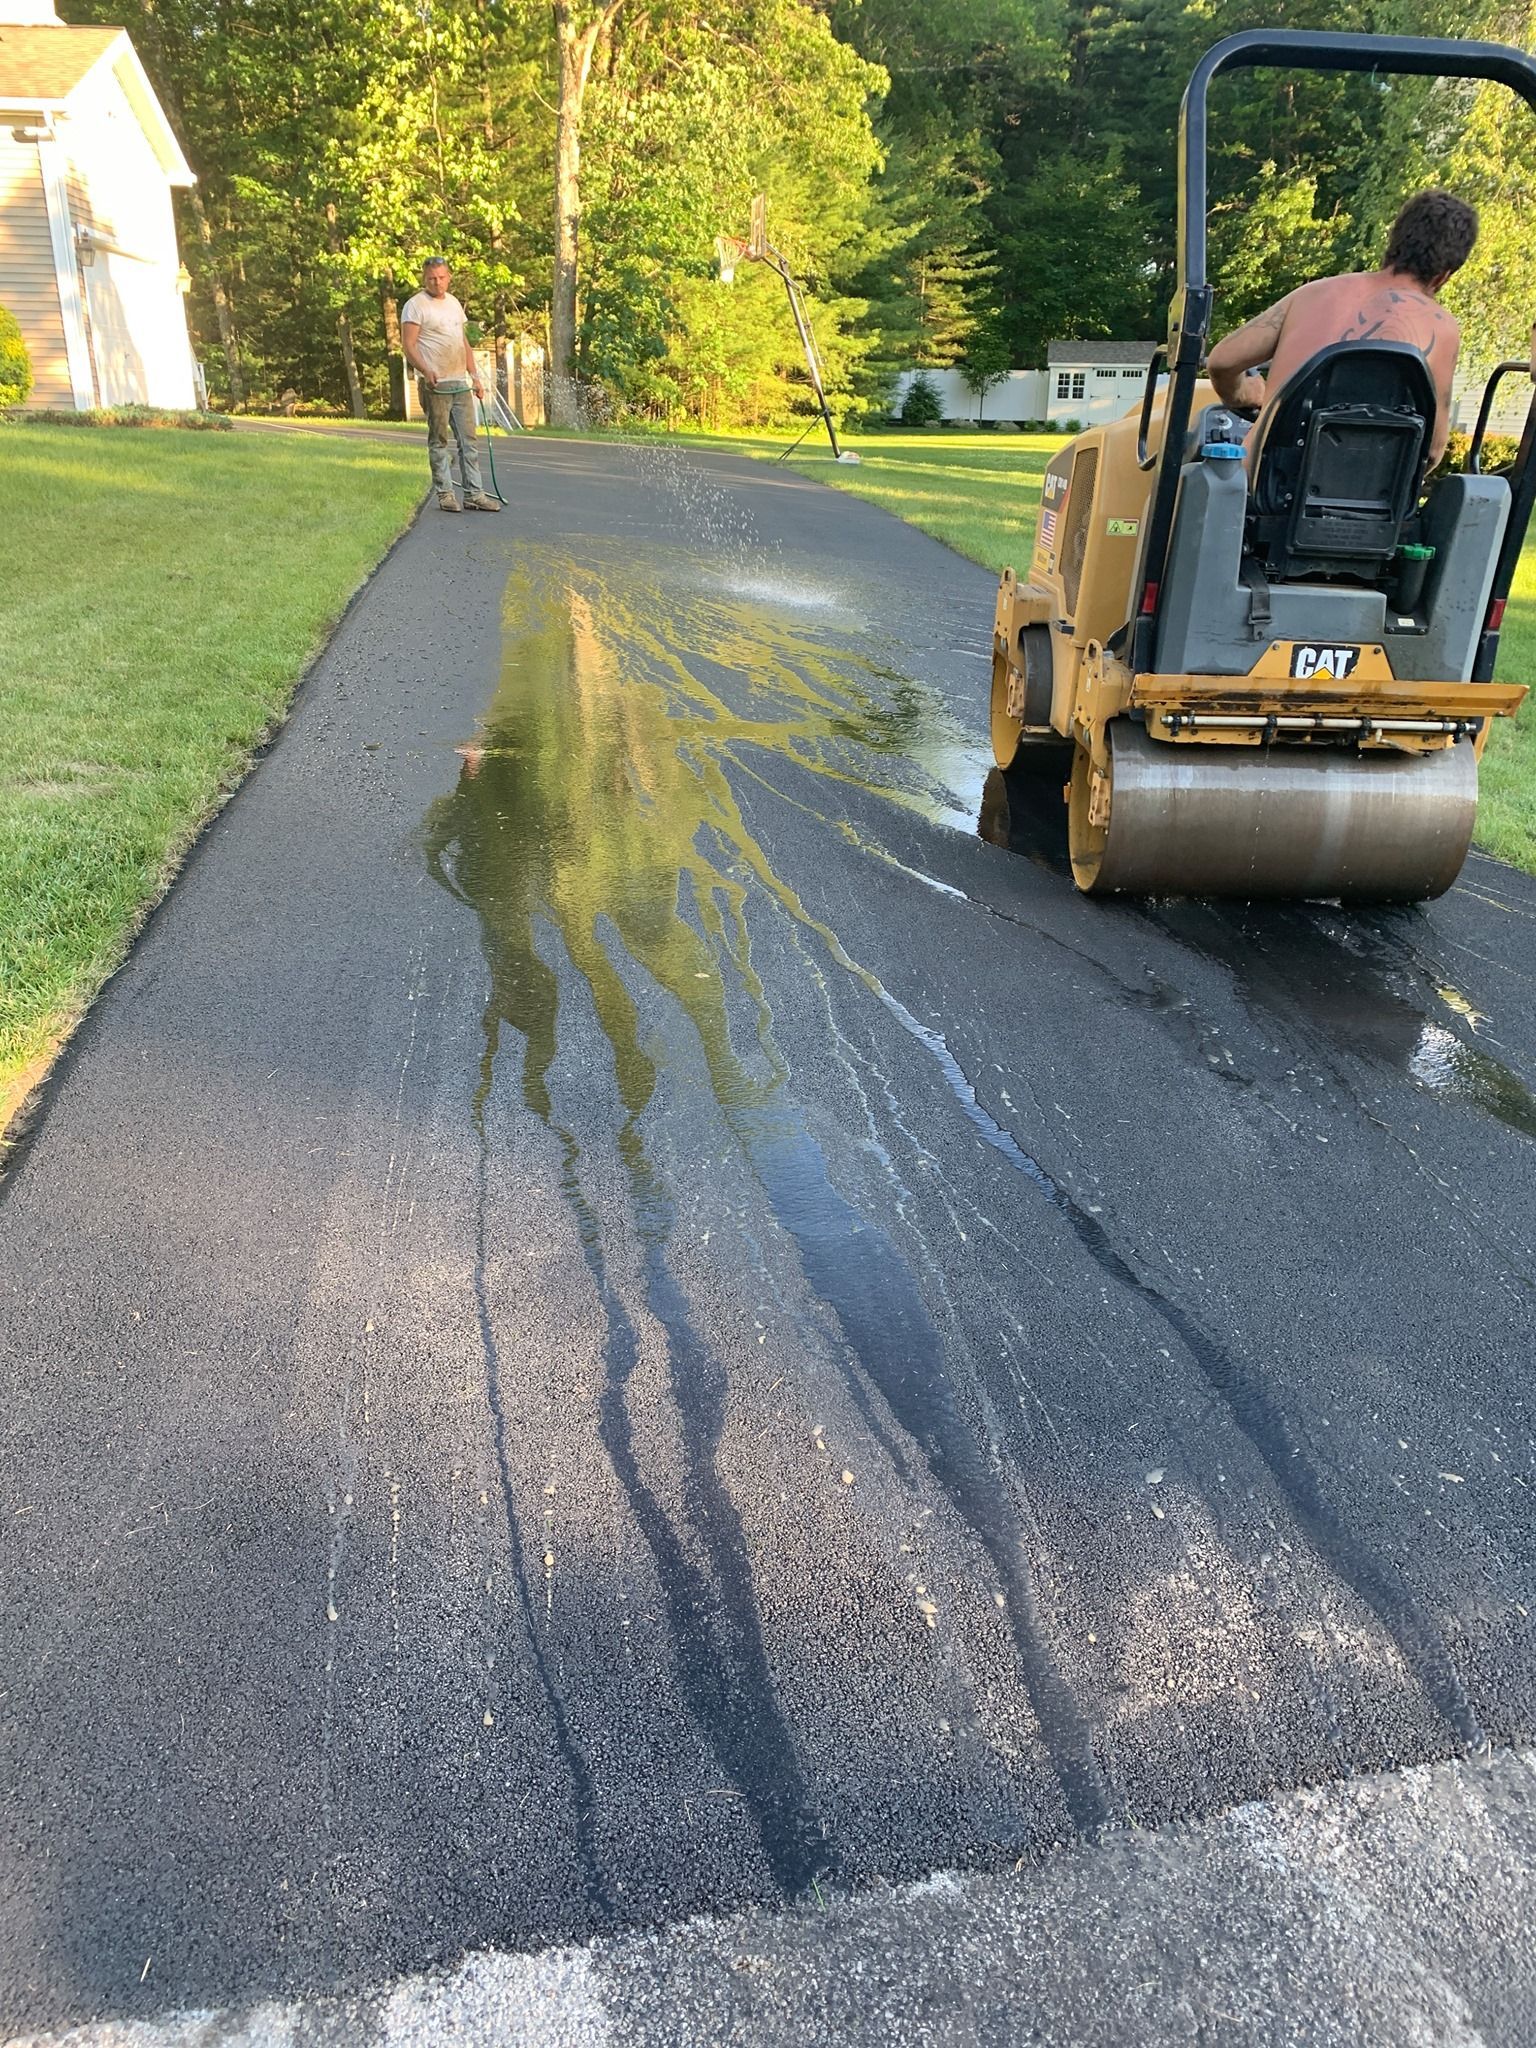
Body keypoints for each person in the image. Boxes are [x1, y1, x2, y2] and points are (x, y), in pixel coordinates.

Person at [1207, 189, 1479, 467]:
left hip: (1267, 491)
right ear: (1444, 275)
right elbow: (1433, 448)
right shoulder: (1443, 329)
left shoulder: (1314, 294)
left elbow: (1221, 361)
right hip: (1374, 503)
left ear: (1393, 240)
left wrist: (1247, 394)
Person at [400, 257, 502, 513]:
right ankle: (445, 493)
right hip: (434, 384)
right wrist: (425, 370)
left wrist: (475, 376)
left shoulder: (455, 304)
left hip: (460, 382)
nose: (437, 282)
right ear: (425, 278)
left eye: (442, 277)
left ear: (449, 276)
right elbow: (409, 345)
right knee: (439, 440)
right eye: (432, 278)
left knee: (469, 440)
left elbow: (462, 342)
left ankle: (474, 494)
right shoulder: (415, 306)